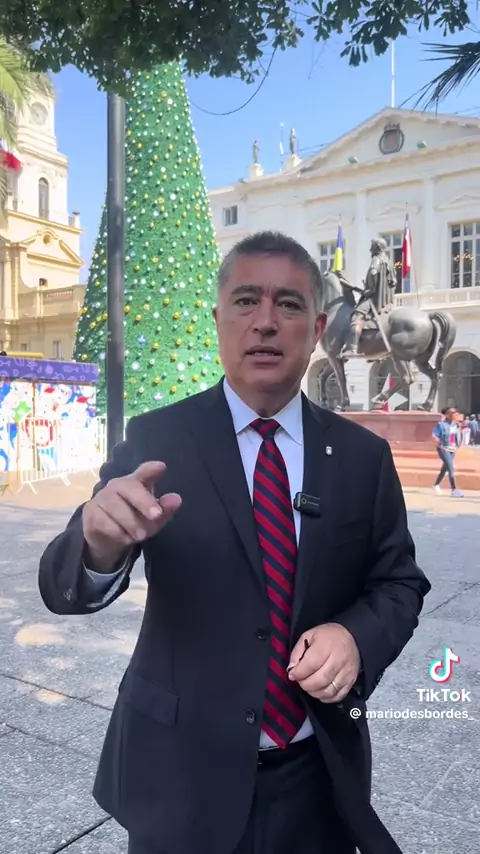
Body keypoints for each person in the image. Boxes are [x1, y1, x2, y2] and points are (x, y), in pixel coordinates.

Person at [38, 231, 430, 854]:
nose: (265, 322)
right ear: (219, 319)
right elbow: (65, 587)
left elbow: (400, 583)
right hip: (179, 778)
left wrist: (355, 636)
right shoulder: (158, 438)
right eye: (247, 301)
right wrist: (96, 545)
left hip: (317, 780)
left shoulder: (362, 457)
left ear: (318, 327)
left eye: (289, 304)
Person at [341, 237, 397, 357]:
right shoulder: (389, 262)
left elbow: (373, 272)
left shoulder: (376, 260)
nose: (370, 249)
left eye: (372, 246)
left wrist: (370, 289)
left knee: (356, 317)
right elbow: (394, 282)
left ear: (377, 247)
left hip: (374, 299)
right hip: (386, 301)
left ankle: (352, 348)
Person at [432, 407, 464, 497]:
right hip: (443, 449)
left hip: (452, 449)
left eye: (455, 412)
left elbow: (458, 437)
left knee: (445, 468)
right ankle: (454, 489)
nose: (454, 414)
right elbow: (434, 435)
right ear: (447, 415)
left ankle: (436, 485)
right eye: (452, 413)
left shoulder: (456, 425)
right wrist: (440, 444)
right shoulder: (441, 425)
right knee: (450, 467)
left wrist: (458, 445)